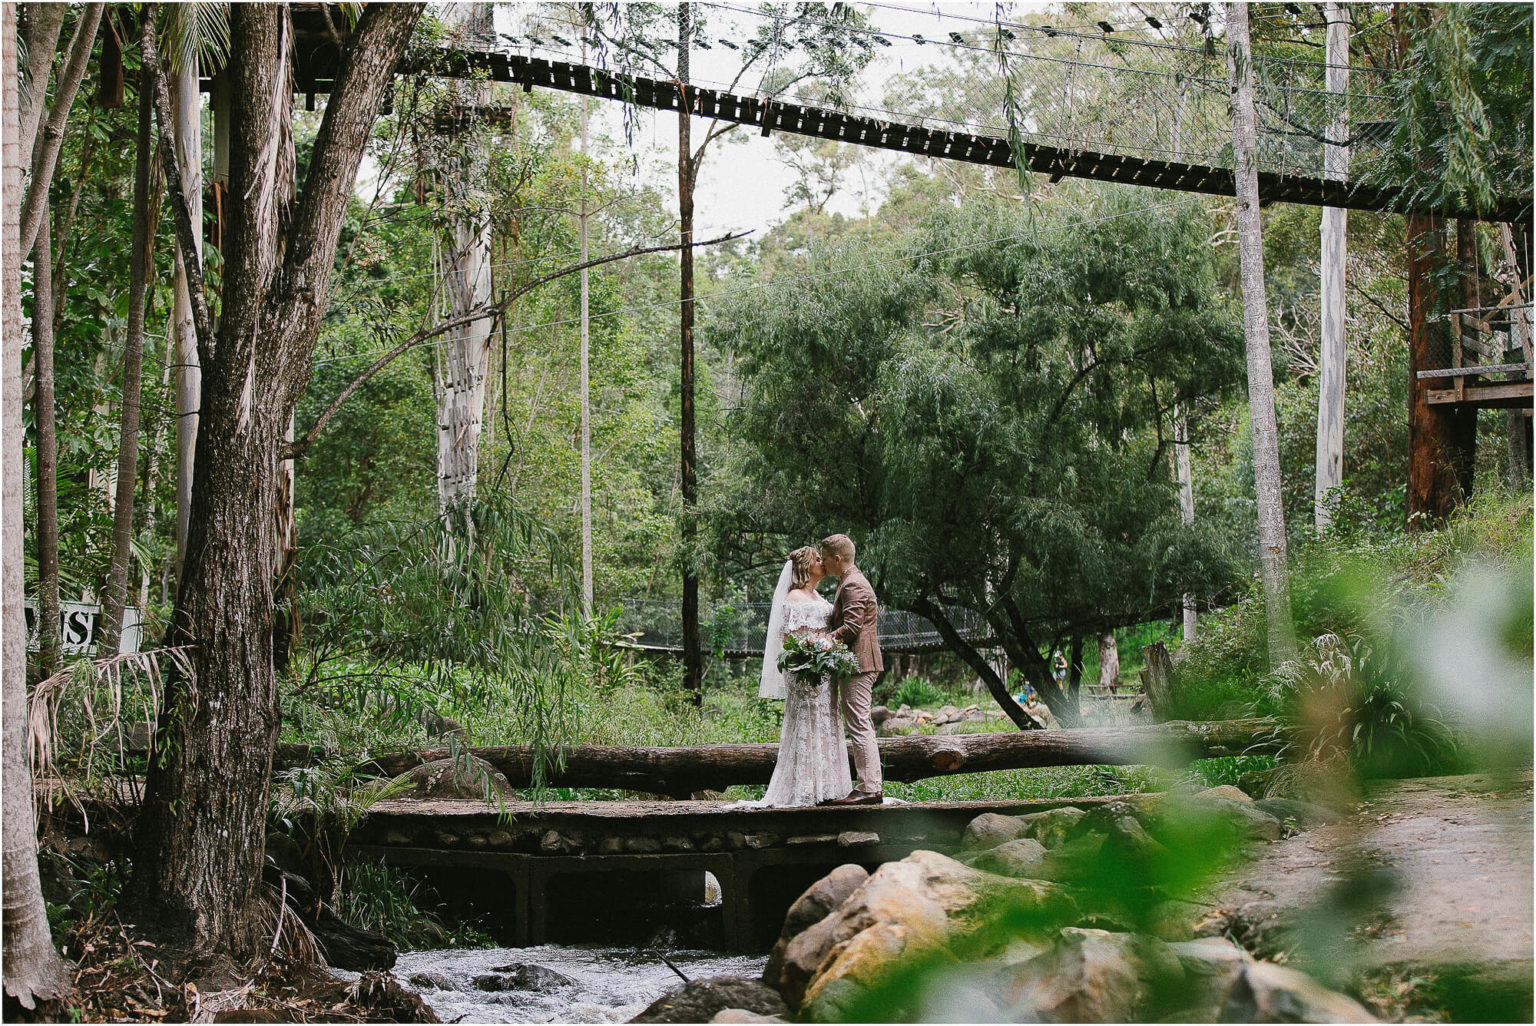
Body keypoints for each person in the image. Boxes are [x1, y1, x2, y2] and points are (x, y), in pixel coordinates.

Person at [750, 546, 853, 808]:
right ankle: (805, 789)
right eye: (818, 560)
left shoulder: (818, 596)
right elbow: (789, 641)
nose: (822, 563)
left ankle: (829, 787)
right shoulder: (793, 598)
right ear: (806, 567)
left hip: (824, 673)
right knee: (807, 724)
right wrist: (810, 658)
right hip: (805, 674)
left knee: (827, 723)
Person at [818, 533, 885, 806]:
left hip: (860, 663)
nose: (822, 563)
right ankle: (869, 785)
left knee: (859, 724)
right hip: (860, 662)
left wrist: (825, 640)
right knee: (861, 722)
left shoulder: (852, 584)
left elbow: (853, 627)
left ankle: (869, 788)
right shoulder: (848, 580)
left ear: (837, 558)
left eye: (824, 559)